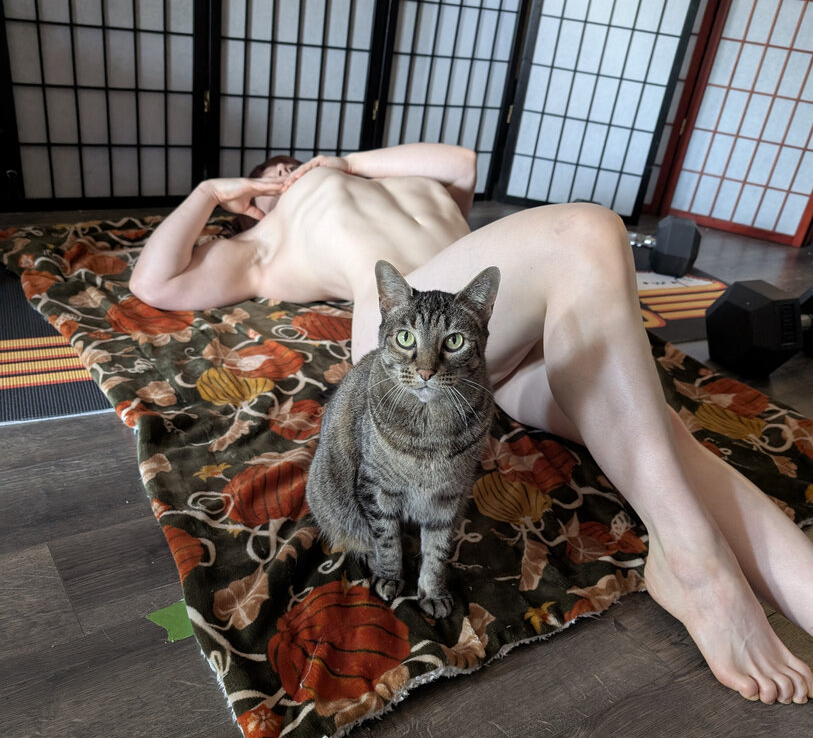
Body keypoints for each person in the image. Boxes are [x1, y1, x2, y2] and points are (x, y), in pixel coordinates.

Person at [130, 142, 813, 706]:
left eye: (294, 164)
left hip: (499, 330)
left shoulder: (382, 178)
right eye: (274, 175)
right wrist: (213, 192)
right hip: (416, 345)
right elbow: (155, 285)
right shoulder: (266, 238)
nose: (291, 172)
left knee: (659, 440)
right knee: (587, 231)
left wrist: (345, 163)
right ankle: (694, 565)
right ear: (255, 200)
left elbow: (459, 163)